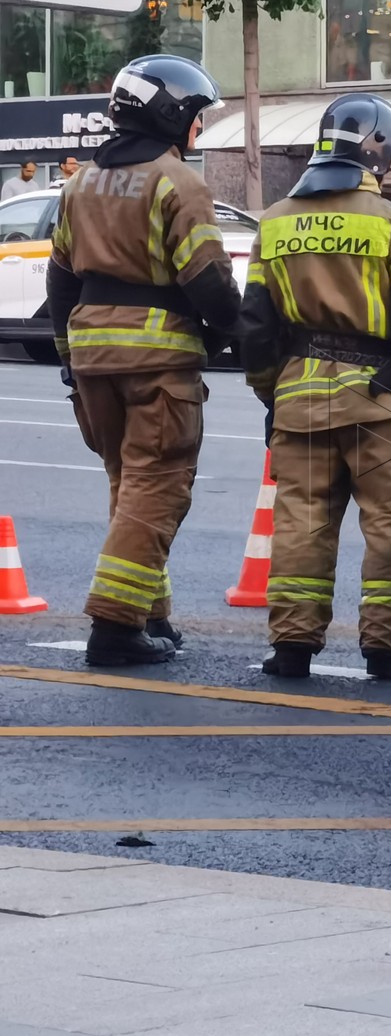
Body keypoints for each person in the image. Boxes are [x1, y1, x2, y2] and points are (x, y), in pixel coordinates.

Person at [238, 92, 391, 680]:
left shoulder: (275, 222)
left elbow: (255, 327)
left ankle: (291, 647)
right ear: (377, 153)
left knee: (301, 523)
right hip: (381, 406)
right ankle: (389, 650)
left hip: (298, 403)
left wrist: (273, 393)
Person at [44, 55, 241, 666]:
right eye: (197, 117)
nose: (199, 129)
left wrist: (69, 359)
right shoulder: (176, 181)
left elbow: (59, 280)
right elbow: (207, 279)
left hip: (92, 357)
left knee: (128, 487)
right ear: (171, 113)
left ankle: (150, 615)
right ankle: (115, 624)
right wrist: (238, 333)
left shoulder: (79, 184)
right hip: (158, 364)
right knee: (159, 488)